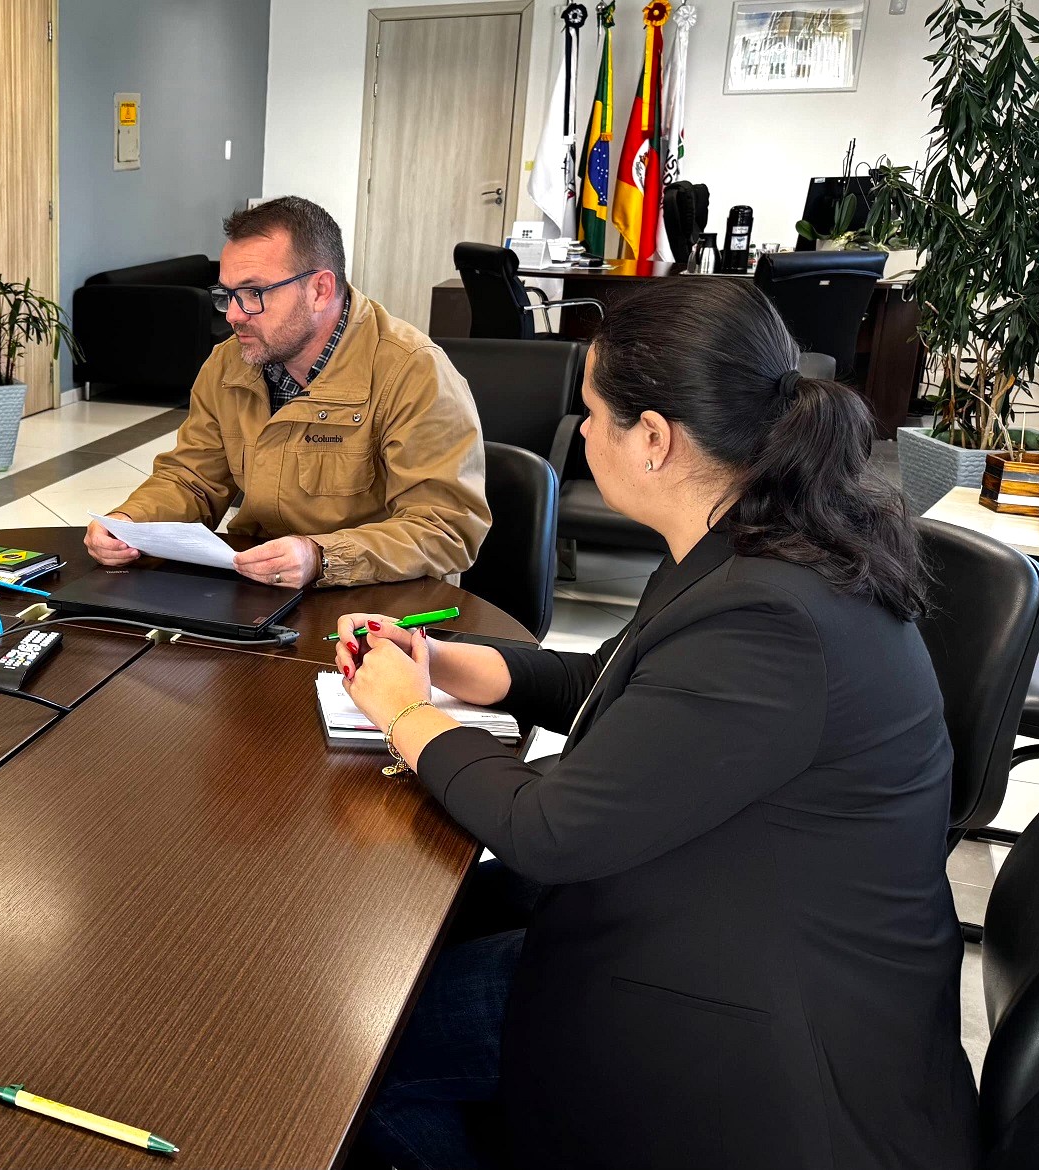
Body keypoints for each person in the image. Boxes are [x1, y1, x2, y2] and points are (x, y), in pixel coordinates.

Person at [338, 278, 975, 1168]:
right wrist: (460, 668)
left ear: (654, 439)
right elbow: (633, 685)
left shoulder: (772, 617)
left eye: (595, 414)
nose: (584, 434)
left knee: (361, 1055)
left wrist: (405, 714)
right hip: (723, 922)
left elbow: (549, 831)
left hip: (756, 1035)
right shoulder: (759, 538)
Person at [85, 197, 489, 588]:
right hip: (259, 584)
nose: (233, 315)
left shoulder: (413, 371)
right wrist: (130, 522)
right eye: (227, 294)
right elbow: (192, 480)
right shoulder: (229, 363)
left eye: (255, 293)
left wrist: (320, 556)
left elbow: (445, 527)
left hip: (378, 596)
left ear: (320, 289)